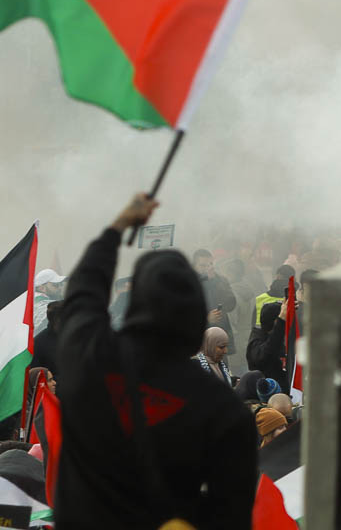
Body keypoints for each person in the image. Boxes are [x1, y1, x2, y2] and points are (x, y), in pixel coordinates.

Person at [51, 192, 256, 528]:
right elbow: (231, 515)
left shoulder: (88, 356)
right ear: (195, 319)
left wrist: (116, 229)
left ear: (134, 305)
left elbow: (84, 290)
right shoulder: (223, 408)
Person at [192, 248, 237, 338]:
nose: (207, 268)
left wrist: (215, 282)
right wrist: (206, 319)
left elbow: (231, 304)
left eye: (210, 264)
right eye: (203, 266)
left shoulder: (220, 280)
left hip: (219, 333)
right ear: (194, 266)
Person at [251, 264, 293, 330]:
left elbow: (253, 326)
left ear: (277, 277)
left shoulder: (260, 298)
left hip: (262, 338)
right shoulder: (297, 299)